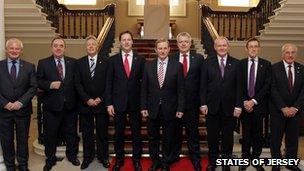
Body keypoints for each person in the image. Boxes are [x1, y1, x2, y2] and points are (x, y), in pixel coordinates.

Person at [141, 38, 184, 171]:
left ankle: (166, 161)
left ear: (169, 49)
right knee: (152, 137)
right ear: (155, 50)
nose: (162, 51)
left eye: (165, 48)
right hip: (152, 108)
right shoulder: (148, 65)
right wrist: (143, 107)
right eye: (160, 48)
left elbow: (180, 89)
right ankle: (155, 161)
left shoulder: (177, 66)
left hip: (170, 108)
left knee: (168, 137)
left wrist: (180, 108)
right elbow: (144, 88)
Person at [37, 37, 80, 171]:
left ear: (65, 48)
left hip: (70, 106)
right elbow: (38, 81)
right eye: (55, 45)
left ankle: (72, 156)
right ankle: (50, 159)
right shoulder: (43, 63)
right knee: (51, 135)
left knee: (71, 134)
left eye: (61, 45)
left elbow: (77, 83)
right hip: (51, 107)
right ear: (52, 47)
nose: (58, 48)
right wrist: (49, 84)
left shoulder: (73, 62)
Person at [105, 31, 145, 171]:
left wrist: (143, 104)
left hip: (135, 104)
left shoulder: (140, 60)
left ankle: (136, 160)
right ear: (120, 42)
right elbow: (108, 83)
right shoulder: (112, 60)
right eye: (124, 40)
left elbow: (144, 84)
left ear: (132, 42)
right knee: (119, 134)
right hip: (118, 103)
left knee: (136, 134)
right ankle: (119, 160)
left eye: (129, 39)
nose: (126, 42)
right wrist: (109, 103)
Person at [200, 36, 242, 171]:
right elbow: (203, 85)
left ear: (228, 47)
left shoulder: (236, 63)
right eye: (219, 45)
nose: (222, 48)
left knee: (228, 137)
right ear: (214, 47)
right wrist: (203, 104)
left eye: (224, 45)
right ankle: (213, 162)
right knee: (212, 137)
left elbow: (239, 87)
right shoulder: (207, 63)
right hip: (211, 107)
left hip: (230, 108)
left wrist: (238, 105)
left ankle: (226, 163)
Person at [0, 38, 37, 171]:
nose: (14, 51)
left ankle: (23, 164)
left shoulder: (29, 66)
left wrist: (20, 102)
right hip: (4, 111)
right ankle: (10, 165)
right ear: (6, 49)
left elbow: (33, 87)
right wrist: (5, 103)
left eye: (17, 49)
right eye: (11, 48)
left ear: (21, 51)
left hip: (23, 111)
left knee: (22, 140)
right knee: (6, 140)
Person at [75, 35, 110, 169]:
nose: (91, 46)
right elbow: (77, 84)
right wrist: (87, 99)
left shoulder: (106, 62)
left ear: (97, 47)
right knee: (87, 134)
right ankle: (87, 158)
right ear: (86, 47)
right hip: (85, 105)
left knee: (102, 133)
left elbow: (108, 83)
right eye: (88, 44)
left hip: (101, 104)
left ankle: (103, 157)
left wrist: (101, 98)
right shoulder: (79, 63)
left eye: (93, 44)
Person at [169, 32, 203, 171]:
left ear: (190, 43)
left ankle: (195, 158)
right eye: (181, 42)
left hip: (192, 104)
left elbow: (202, 82)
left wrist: (202, 102)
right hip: (174, 103)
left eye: (186, 42)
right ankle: (174, 156)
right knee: (175, 132)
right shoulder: (171, 58)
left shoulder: (199, 58)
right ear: (177, 44)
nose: (183, 44)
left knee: (192, 132)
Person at [270, 43, 304, 171]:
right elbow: (272, 89)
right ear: (282, 53)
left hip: (295, 112)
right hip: (278, 111)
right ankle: (276, 163)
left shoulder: (302, 69)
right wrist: (283, 107)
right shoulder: (273, 68)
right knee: (276, 139)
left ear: (296, 54)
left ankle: (291, 162)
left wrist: (295, 108)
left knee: (293, 139)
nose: (290, 55)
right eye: (287, 52)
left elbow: (303, 92)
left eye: (293, 52)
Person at [239, 38, 271, 171]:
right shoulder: (239, 64)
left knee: (258, 134)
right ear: (246, 49)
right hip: (244, 105)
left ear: (259, 48)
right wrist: (245, 101)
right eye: (250, 46)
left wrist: (253, 101)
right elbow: (237, 85)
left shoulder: (267, 64)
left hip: (259, 106)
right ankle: (245, 159)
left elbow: (266, 86)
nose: (253, 48)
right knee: (245, 134)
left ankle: (256, 159)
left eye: (255, 46)